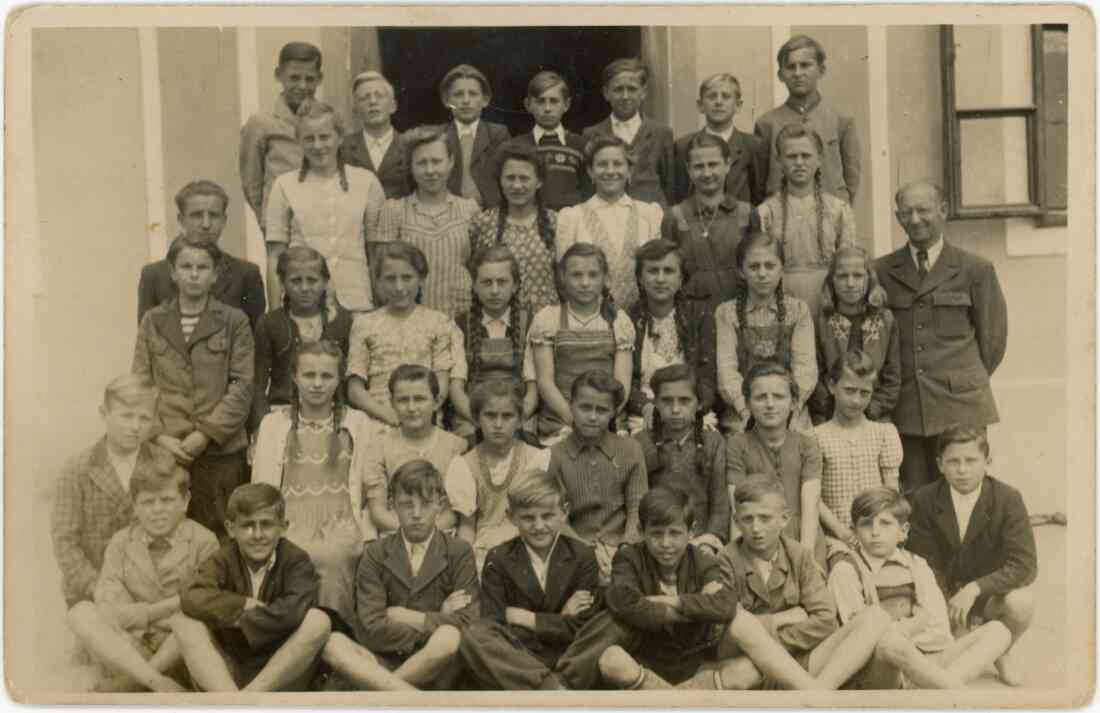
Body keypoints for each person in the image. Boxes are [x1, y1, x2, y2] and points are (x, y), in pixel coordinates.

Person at [557, 486, 834, 690]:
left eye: (675, 533)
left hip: (691, 662)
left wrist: (673, 602)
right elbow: (621, 600)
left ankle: (812, 694)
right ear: (642, 531)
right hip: (644, 660)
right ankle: (681, 702)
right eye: (656, 534)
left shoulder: (701, 560)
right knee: (611, 660)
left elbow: (725, 605)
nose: (666, 543)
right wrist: (694, 607)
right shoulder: (629, 557)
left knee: (747, 661)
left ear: (691, 532)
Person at [875, 180, 1008, 491]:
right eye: (906, 212)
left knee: (966, 491)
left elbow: (993, 341)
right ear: (898, 218)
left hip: (961, 404)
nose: (916, 219)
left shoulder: (975, 269)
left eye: (924, 210)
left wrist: (961, 379)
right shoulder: (881, 270)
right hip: (908, 406)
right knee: (916, 497)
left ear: (943, 211)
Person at [251, 340, 377, 640]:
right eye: (309, 375)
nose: (318, 384)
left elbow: (369, 486)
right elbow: (262, 490)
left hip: (342, 520)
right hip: (289, 520)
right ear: (294, 377)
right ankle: (296, 642)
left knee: (334, 555)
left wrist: (368, 535)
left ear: (339, 380)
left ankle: (335, 639)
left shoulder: (358, 423)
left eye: (327, 376)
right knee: (296, 555)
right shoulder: (273, 424)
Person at [828, 487, 1013, 688]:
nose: (875, 532)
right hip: (881, 668)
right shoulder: (846, 569)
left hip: (926, 661)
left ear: (903, 532)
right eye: (866, 524)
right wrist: (915, 624)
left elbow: (940, 632)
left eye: (885, 523)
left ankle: (934, 691)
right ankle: (947, 692)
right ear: (854, 531)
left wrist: (911, 640)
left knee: (999, 631)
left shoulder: (916, 565)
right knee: (889, 644)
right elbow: (858, 643)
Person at [132, 236, 254, 541]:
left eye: (203, 267)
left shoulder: (233, 321)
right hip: (166, 451)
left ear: (215, 274)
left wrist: (206, 434)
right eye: (186, 266)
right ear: (173, 272)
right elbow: (140, 385)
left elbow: (242, 386)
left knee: (222, 536)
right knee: (167, 534)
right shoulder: (153, 321)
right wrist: (159, 436)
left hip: (220, 452)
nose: (194, 274)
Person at [717, 476, 889, 689]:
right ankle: (815, 694)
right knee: (741, 659)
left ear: (785, 519)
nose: (756, 528)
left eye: (765, 518)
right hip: (753, 666)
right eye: (747, 519)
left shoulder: (799, 555)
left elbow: (826, 621)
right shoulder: (724, 561)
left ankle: (817, 693)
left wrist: (770, 636)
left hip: (803, 662)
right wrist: (782, 618)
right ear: (736, 521)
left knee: (876, 616)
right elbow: (727, 637)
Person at [66, 453, 218, 692]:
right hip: (130, 647)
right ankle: (155, 682)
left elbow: (202, 604)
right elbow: (109, 606)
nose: (157, 510)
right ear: (135, 506)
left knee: (190, 622)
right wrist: (157, 611)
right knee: (81, 612)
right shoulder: (121, 542)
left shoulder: (204, 541)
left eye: (167, 500)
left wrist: (142, 616)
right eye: (148, 502)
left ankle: (131, 684)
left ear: (185, 500)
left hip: (177, 649)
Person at [325, 460, 479, 690]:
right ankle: (401, 692)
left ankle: (380, 693)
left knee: (449, 637)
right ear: (392, 505)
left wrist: (408, 617)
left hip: (436, 662)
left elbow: (468, 622)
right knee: (333, 643)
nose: (416, 514)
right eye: (407, 504)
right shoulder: (375, 553)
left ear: (441, 504)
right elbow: (371, 629)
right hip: (382, 660)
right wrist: (436, 617)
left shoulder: (459, 552)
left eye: (426, 504)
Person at [906, 425, 1037, 686]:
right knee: (952, 653)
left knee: (1021, 602)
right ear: (940, 464)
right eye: (953, 461)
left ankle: (1003, 650)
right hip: (943, 593)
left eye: (971, 460)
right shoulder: (924, 499)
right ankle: (976, 641)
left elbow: (1025, 565)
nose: (962, 470)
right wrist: (946, 607)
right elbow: (923, 561)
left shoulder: (1008, 498)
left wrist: (977, 587)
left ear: (987, 462)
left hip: (988, 593)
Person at [173, 483, 333, 691]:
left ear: (283, 527)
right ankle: (233, 701)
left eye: (266, 525)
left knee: (318, 621)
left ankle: (247, 698)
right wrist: (242, 604)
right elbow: (191, 595)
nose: (257, 535)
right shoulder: (224, 558)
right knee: (183, 622)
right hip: (231, 668)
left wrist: (239, 620)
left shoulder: (296, 560)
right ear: (231, 529)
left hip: (281, 669)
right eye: (247, 525)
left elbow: (293, 612)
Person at [458, 471, 601, 690]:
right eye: (528, 517)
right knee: (475, 634)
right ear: (511, 516)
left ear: (564, 512)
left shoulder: (582, 555)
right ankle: (551, 688)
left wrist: (529, 619)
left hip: (570, 654)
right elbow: (494, 625)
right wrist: (559, 619)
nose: (538, 526)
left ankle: (547, 686)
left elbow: (582, 626)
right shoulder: (498, 558)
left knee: (606, 623)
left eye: (547, 516)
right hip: (519, 656)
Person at [264, 99, 385, 314]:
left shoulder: (366, 182)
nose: (318, 146)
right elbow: (275, 255)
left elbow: (376, 253)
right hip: (303, 307)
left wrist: (380, 309)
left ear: (339, 138)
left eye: (325, 137)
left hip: (357, 302)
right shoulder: (284, 185)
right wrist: (276, 315)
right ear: (299, 141)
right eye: (309, 138)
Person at [52, 375, 161, 610]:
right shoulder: (77, 470)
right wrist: (97, 587)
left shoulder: (162, 464)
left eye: (144, 418)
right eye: (126, 416)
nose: (135, 427)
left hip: (152, 590)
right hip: (93, 590)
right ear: (104, 414)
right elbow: (65, 543)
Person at [545, 370, 647, 581]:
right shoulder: (555, 455)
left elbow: (637, 507)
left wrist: (626, 549)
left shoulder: (630, 450)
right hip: (573, 547)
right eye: (585, 408)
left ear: (613, 413)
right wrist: (584, 552)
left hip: (623, 548)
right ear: (571, 405)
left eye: (601, 410)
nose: (592, 416)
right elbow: (555, 515)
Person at [529, 242, 635, 441]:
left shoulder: (619, 321)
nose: (585, 283)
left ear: (605, 278)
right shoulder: (548, 319)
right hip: (562, 420)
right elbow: (545, 382)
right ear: (563, 277)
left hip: (607, 420)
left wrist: (601, 418)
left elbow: (622, 386)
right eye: (577, 275)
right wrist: (574, 420)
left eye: (593, 275)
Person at [346, 242, 456, 431]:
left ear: (421, 279)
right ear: (378, 281)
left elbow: (441, 382)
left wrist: (420, 413)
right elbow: (355, 390)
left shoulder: (438, 323)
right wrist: (387, 415)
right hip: (379, 420)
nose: (399, 287)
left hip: (424, 419)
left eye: (407, 277)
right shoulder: (364, 324)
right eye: (390, 278)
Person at [715, 232, 816, 433]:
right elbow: (726, 371)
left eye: (770, 266)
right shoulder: (726, 313)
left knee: (799, 446)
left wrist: (789, 409)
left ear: (781, 269)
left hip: (790, 409)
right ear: (741, 271)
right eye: (754, 266)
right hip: (743, 410)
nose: (762, 273)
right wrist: (746, 410)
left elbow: (805, 368)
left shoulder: (798, 311)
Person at [375, 126, 480, 318]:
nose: (430, 170)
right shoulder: (394, 210)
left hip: (462, 317)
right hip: (410, 319)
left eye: (436, 161)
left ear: (451, 162)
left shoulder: (469, 210)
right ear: (411, 167)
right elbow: (382, 276)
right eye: (422, 163)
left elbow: (478, 268)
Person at [445, 380, 551, 571]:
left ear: (520, 420)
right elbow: (467, 527)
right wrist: (464, 565)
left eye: (507, 416)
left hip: (528, 543)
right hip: (485, 548)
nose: (498, 424)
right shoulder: (465, 465)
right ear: (477, 419)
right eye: (490, 416)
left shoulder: (535, 459)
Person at [726, 361, 824, 565]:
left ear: (794, 402)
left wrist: (804, 558)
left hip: (803, 536)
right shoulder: (737, 444)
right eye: (761, 397)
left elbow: (811, 503)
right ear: (748, 403)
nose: (770, 404)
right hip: (756, 539)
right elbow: (737, 505)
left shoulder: (807, 445)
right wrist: (739, 561)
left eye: (779, 396)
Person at [137, 180, 266, 330]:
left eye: (214, 215)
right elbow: (147, 340)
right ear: (181, 220)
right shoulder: (154, 275)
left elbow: (253, 341)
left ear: (224, 220)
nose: (206, 224)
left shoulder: (245, 274)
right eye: (196, 215)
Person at [250, 246, 353, 433]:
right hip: (283, 412)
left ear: (325, 282)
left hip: (333, 415)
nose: (305, 288)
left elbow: (348, 380)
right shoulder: (270, 323)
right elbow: (257, 384)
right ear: (282, 283)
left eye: (312, 280)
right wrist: (262, 428)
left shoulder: (343, 322)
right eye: (296, 281)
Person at [757, 124, 856, 317]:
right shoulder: (766, 211)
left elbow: (848, 262)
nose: (799, 162)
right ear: (780, 161)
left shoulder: (839, 209)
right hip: (782, 297)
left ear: (819, 159)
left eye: (806, 155)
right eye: (792, 156)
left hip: (828, 297)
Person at [555, 134, 662, 309]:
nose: (610, 171)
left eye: (618, 164)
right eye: (602, 164)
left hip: (641, 317)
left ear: (629, 171)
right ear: (590, 171)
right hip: (590, 320)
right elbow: (564, 277)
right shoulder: (571, 217)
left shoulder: (649, 214)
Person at [360, 365, 465, 539]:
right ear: (392, 403)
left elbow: (455, 512)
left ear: (436, 402)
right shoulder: (379, 446)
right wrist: (409, 535)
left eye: (419, 399)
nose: (411, 407)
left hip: (441, 537)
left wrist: (425, 536)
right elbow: (378, 511)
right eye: (403, 400)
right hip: (394, 536)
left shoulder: (456, 447)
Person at [755, 34, 861, 203]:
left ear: (821, 70)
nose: (798, 73)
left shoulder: (841, 120)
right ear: (780, 75)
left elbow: (851, 178)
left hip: (829, 218)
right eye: (791, 67)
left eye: (805, 65)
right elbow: (759, 182)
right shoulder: (767, 124)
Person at [815, 351, 903, 552]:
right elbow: (814, 498)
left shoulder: (884, 433)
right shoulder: (816, 437)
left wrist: (882, 531)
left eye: (865, 393)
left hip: (877, 535)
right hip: (835, 538)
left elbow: (891, 494)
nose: (856, 400)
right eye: (849, 390)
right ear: (831, 386)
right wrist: (841, 532)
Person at [626, 239, 718, 430]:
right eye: (652, 271)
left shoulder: (699, 314)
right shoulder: (628, 321)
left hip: (692, 409)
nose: (660, 279)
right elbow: (627, 383)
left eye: (668, 271)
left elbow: (708, 377)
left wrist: (694, 407)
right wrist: (647, 408)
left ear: (681, 278)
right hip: (646, 414)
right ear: (640, 278)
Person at [634, 365, 728, 550]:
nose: (675, 409)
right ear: (656, 403)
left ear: (699, 403)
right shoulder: (641, 442)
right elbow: (637, 502)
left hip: (701, 542)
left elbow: (720, 503)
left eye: (685, 401)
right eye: (667, 401)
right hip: (658, 543)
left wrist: (710, 541)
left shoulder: (713, 442)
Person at [449, 245, 538, 439]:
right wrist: (480, 421)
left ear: (515, 285)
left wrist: (515, 420)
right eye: (487, 282)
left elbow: (533, 389)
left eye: (502, 282)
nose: (495, 290)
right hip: (473, 417)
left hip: (518, 416)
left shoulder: (530, 323)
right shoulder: (461, 325)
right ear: (474, 285)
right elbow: (456, 389)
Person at [809, 246, 900, 425]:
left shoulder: (885, 321)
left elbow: (893, 377)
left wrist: (872, 409)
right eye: (842, 276)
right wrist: (833, 409)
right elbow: (815, 375)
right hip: (830, 416)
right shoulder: (821, 321)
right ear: (832, 281)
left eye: (858, 276)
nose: (850, 283)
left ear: (869, 279)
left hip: (875, 416)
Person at [662, 132, 753, 311]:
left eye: (713, 164)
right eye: (698, 166)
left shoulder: (746, 213)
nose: (706, 173)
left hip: (738, 312)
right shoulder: (675, 216)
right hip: (691, 314)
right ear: (688, 169)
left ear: (727, 165)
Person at [240, 42, 323, 232]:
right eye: (294, 78)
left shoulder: (327, 120)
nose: (302, 86)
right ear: (279, 75)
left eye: (309, 79)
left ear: (320, 79)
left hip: (321, 219)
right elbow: (251, 182)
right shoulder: (261, 123)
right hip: (281, 221)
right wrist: (268, 217)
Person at [468, 147, 560, 315]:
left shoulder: (557, 223)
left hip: (546, 322)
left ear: (539, 181)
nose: (517, 185)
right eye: (510, 178)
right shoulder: (482, 223)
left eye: (524, 178)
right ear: (500, 181)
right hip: (499, 323)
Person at [582, 58, 675, 207]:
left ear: (643, 92)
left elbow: (670, 185)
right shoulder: (592, 134)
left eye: (632, 89)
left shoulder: (661, 133)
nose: (625, 96)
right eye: (618, 89)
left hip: (652, 218)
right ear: (606, 93)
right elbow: (588, 185)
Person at [672, 73, 767, 206]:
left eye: (726, 96)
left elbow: (759, 195)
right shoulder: (683, 146)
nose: (718, 102)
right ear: (700, 105)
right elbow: (679, 195)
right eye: (712, 96)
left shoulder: (753, 146)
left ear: (738, 105)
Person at [500, 71, 590, 210]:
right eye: (540, 101)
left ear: (566, 104)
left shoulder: (581, 145)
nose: (547, 108)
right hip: (529, 223)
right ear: (528, 104)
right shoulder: (515, 146)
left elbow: (589, 191)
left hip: (571, 223)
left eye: (554, 101)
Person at [439, 64, 511, 209]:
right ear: (447, 101)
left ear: (485, 100)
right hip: (449, 214)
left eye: (473, 94)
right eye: (458, 94)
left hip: (490, 213)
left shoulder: (498, 134)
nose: (466, 100)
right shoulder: (440, 136)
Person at [341, 70, 411, 200]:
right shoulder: (343, 147)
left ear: (393, 106)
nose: (372, 101)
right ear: (355, 109)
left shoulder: (409, 146)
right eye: (364, 98)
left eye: (379, 95)